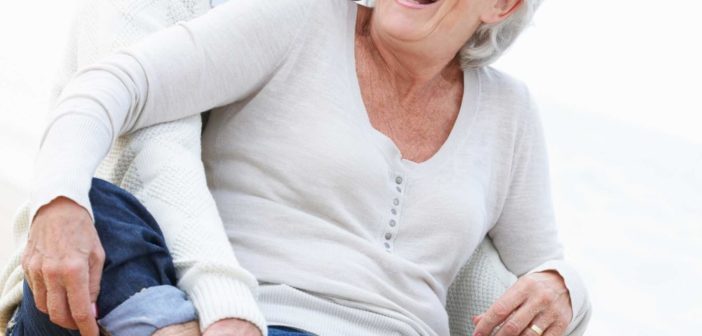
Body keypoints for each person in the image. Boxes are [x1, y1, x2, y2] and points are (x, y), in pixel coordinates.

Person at [2, 0, 592, 335]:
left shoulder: (510, 114)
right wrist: (57, 199)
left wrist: (563, 287)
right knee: (104, 210)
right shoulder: (303, 20)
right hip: (252, 319)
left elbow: (542, 260)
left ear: (502, 5)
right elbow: (109, 86)